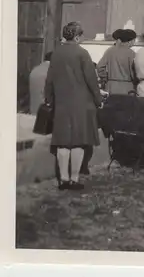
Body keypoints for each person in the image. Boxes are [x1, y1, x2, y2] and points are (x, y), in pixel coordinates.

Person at [45, 21, 102, 191]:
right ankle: (74, 179)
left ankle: (63, 179)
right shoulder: (83, 53)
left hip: (62, 101)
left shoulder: (56, 53)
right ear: (77, 36)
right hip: (81, 102)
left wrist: (48, 98)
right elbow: (91, 81)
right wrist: (98, 100)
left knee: (62, 142)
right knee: (78, 142)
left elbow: (50, 80)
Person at [97, 29, 137, 94]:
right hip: (127, 87)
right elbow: (134, 72)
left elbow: (100, 66)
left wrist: (104, 78)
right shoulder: (132, 53)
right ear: (131, 41)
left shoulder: (110, 51)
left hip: (111, 86)